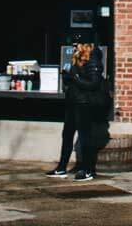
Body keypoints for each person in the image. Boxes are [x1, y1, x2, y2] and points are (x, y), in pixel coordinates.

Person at [46, 43, 109, 181]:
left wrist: (74, 78)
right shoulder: (77, 57)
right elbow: (75, 79)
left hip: (85, 103)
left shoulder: (93, 59)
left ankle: (87, 170)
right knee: (67, 134)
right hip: (73, 101)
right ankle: (62, 167)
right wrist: (67, 77)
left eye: (78, 44)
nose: (74, 46)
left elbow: (94, 83)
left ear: (85, 45)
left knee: (85, 136)